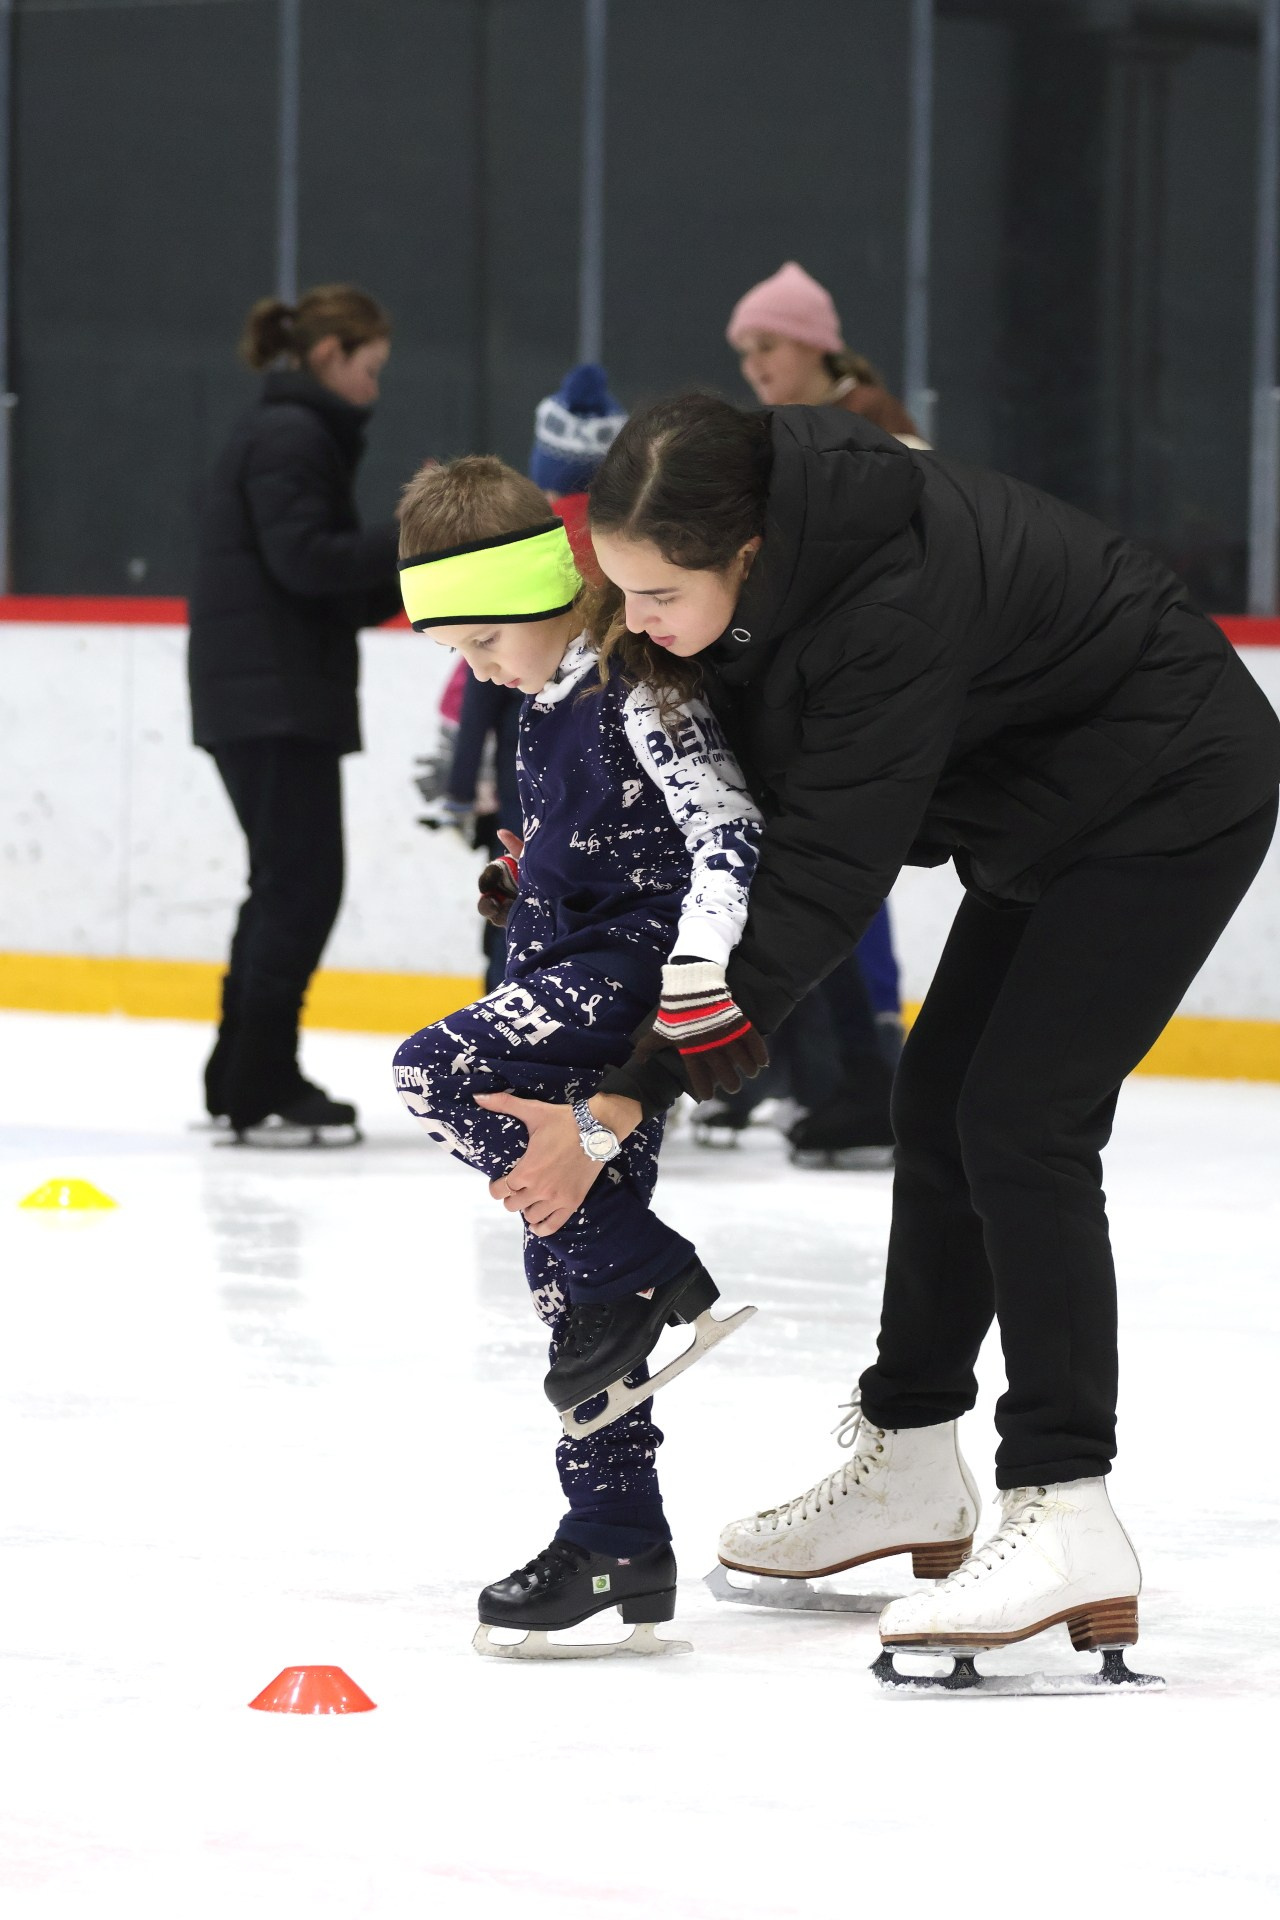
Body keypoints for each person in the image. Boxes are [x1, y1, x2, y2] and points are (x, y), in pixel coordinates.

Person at [489, 391, 1280, 1678]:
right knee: (935, 1106)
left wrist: (635, 1088)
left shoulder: (882, 608)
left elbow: (820, 875)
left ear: (746, 552)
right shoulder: (766, 571)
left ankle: (1065, 1505)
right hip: (1044, 805)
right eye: (618, 589)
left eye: (659, 595)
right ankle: (911, 1457)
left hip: (1167, 791)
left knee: (1020, 1122)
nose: (635, 621)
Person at [390, 454, 762, 1656]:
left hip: (624, 987)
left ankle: (646, 1262)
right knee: (573, 1303)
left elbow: (726, 830)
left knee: (429, 1070)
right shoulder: (541, 694)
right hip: (559, 977)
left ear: (546, 590)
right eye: (456, 649)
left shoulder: (639, 688)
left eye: (485, 637)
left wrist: (696, 971)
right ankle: (617, 1541)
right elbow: (597, 840)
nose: (477, 666)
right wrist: (528, 880)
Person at [188, 284, 402, 1145]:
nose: (374, 388)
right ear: (327, 356)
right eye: (369, 368)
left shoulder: (290, 432)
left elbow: (325, 587)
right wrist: (413, 533)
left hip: (269, 690)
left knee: (283, 884)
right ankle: (260, 1079)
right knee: (301, 887)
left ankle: (237, 1072)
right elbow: (308, 561)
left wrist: (414, 574)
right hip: (272, 697)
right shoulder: (291, 434)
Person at [723, 259, 915, 1164]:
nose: (755, 365)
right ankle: (827, 1075)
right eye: (745, 352)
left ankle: (861, 1076)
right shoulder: (784, 433)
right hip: (813, 691)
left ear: (813, 345)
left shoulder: (877, 429)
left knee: (833, 880)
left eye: (768, 345)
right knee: (806, 880)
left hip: (858, 697)